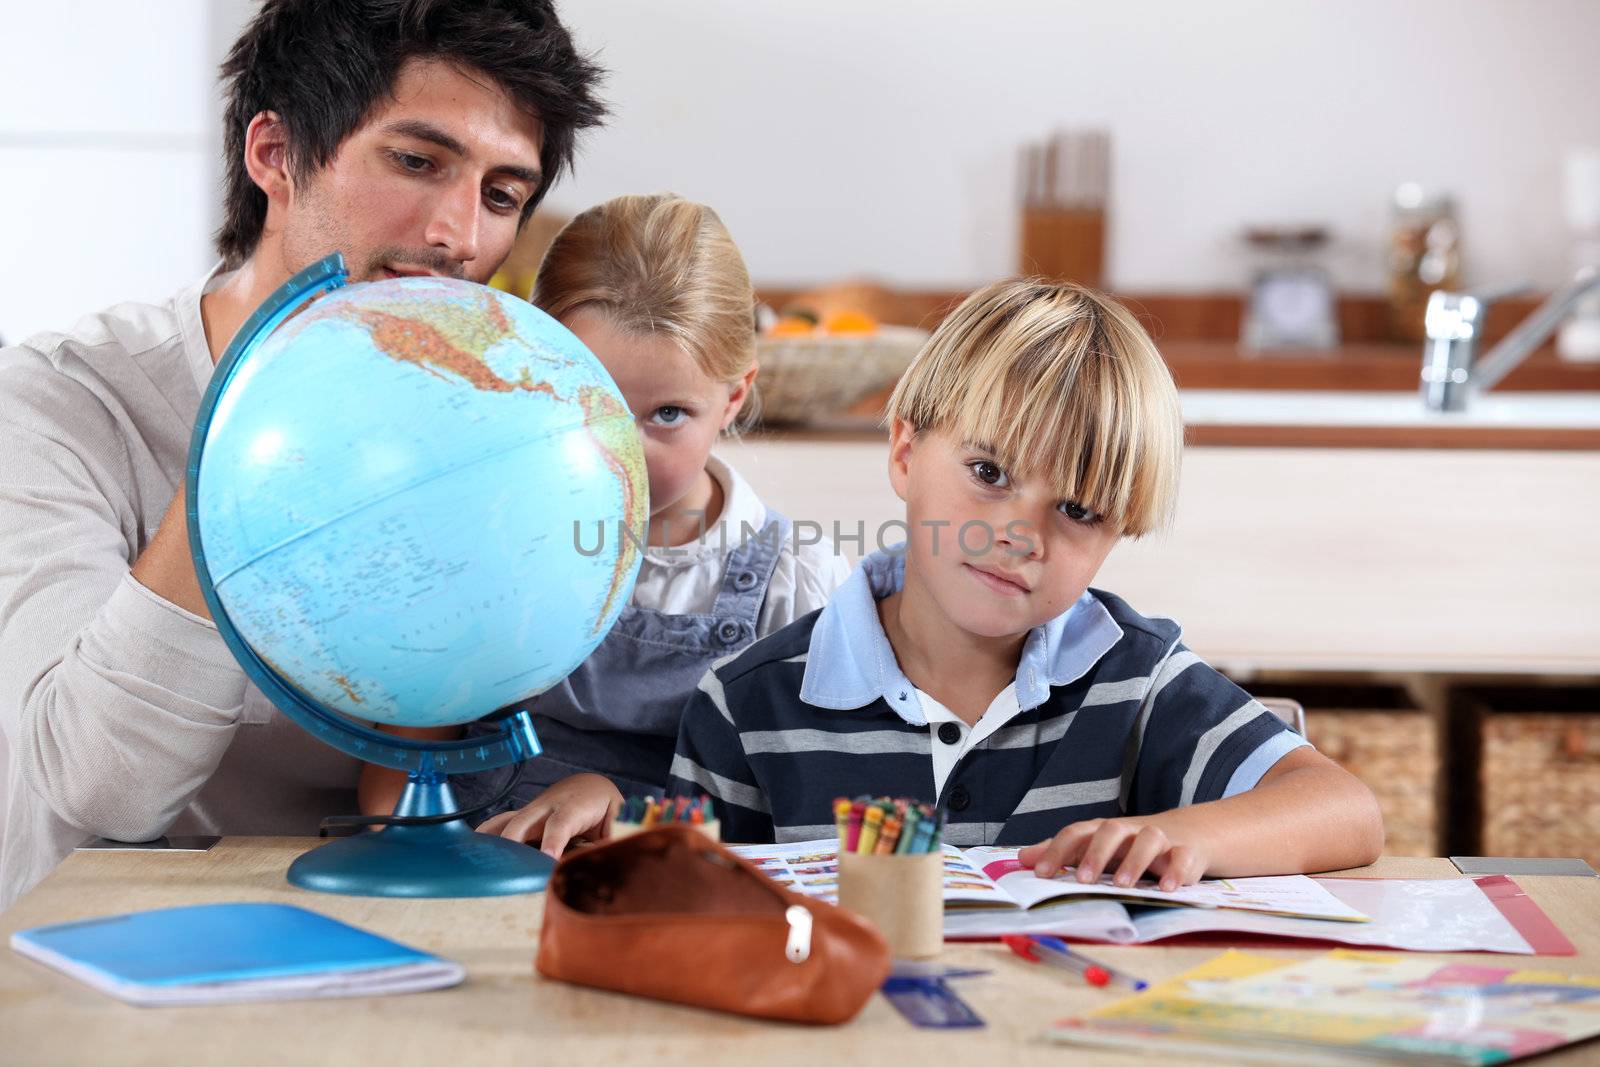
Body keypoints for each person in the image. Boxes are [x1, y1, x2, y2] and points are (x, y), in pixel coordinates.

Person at [0, 0, 605, 907]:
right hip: (105, 953)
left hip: (377, 931)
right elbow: (97, 787)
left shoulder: (484, 421)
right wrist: (259, 429)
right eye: (415, 161)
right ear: (275, 154)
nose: (460, 236)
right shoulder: (59, 404)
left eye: (501, 195)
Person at [669, 279, 1385, 889]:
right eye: (989, 473)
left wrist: (1185, 836)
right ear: (906, 452)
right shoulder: (747, 704)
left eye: (1076, 510)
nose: (1020, 534)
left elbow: (1344, 808)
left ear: (1118, 531)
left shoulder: (1135, 680)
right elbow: (683, 910)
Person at [359, 193, 851, 855]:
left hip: (665, 901)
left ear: (733, 397)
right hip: (464, 876)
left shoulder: (797, 587)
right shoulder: (480, 536)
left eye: (668, 415)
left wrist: (629, 814)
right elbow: (396, 768)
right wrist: (417, 861)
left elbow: (795, 819)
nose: (622, 446)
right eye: (592, 400)